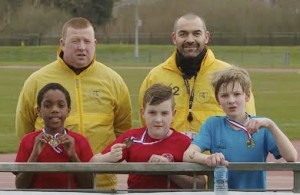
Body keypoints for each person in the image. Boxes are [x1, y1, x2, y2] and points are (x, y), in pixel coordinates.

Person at [15, 17, 132, 189]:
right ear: (62, 43)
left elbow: (123, 133)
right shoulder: (36, 80)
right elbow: (24, 133)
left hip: (102, 184)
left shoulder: (114, 81)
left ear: (95, 43)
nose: (82, 47)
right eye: (75, 41)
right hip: (49, 185)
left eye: (87, 41)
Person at [138, 13, 256, 139]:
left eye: (196, 33)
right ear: (174, 38)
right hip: (169, 157)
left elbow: (247, 122)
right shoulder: (155, 77)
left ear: (206, 37)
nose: (190, 40)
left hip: (216, 157)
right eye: (183, 34)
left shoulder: (229, 75)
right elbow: (146, 122)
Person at [183, 66, 298, 190]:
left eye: (237, 94)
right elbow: (188, 154)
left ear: (247, 95)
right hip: (222, 193)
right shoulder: (213, 125)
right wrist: (208, 158)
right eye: (225, 96)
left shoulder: (262, 126)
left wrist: (271, 125)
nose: (231, 100)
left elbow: (291, 157)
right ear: (218, 100)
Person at [91, 84, 206, 189]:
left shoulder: (184, 143)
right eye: (152, 112)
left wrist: (170, 170)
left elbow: (201, 184)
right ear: (143, 113)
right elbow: (93, 162)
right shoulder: (131, 138)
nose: (158, 119)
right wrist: (108, 157)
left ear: (173, 114)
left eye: (164, 113)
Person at [15, 83, 94, 189]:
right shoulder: (28, 141)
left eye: (61, 105)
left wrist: (74, 157)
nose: (54, 110)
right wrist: (34, 156)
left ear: (68, 110)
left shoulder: (80, 141)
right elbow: (20, 186)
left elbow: (89, 185)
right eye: (47, 105)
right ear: (39, 110)